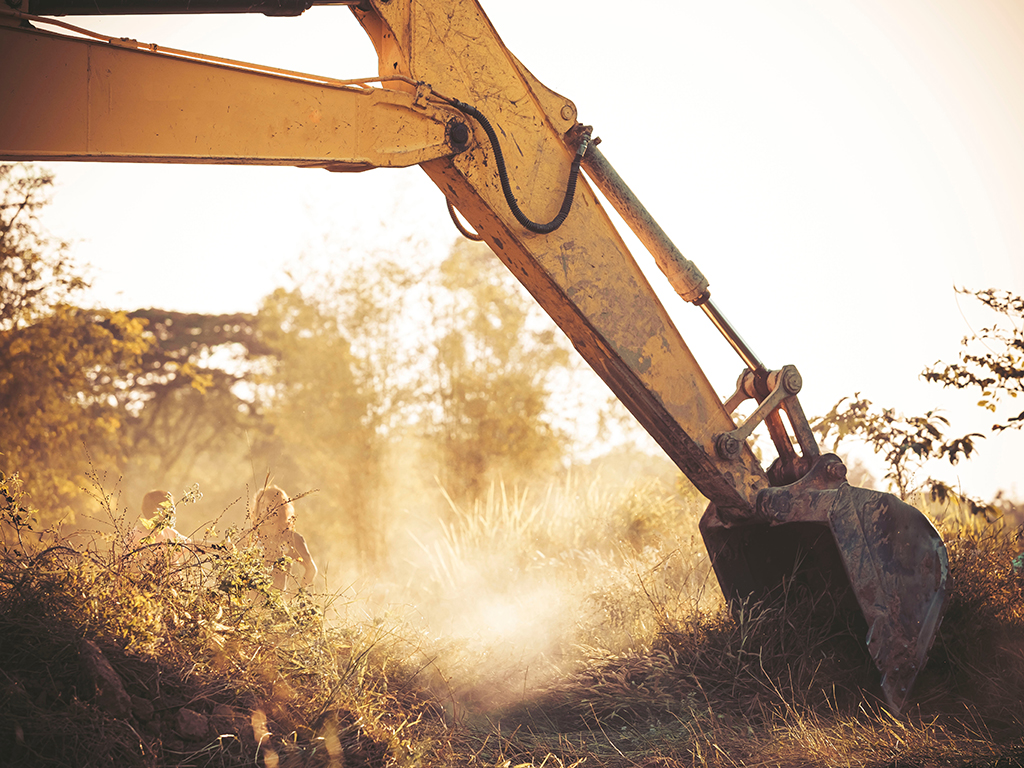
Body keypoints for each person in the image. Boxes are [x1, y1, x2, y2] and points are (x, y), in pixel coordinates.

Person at [252, 485, 318, 591]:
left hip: (276, 603)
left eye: (271, 505)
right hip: (249, 604)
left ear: (281, 509)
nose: (266, 510)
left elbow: (311, 569)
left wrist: (299, 593)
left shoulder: (292, 539)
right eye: (262, 505)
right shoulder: (250, 538)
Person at [129, 490, 192, 568]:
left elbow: (193, 546)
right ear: (156, 509)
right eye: (170, 508)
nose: (174, 513)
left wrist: (211, 546)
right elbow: (127, 569)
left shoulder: (169, 533)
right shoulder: (134, 537)